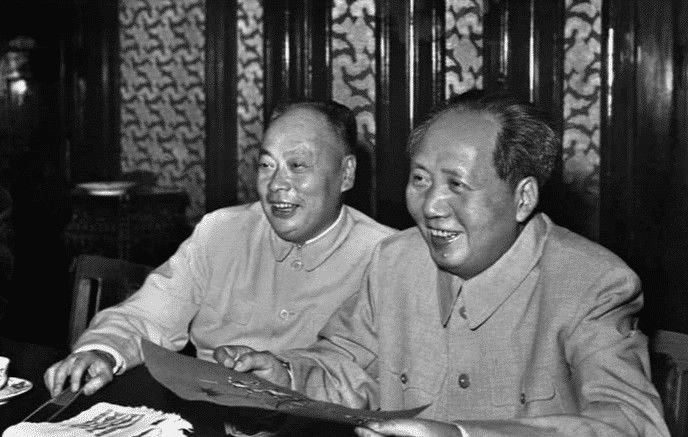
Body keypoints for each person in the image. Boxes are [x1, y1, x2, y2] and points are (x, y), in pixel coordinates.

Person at [215, 93, 670, 436]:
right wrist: (284, 375)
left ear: (523, 198)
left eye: (457, 185)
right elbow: (348, 367)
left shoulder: (593, 284)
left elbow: (632, 424)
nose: (431, 206)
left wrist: (460, 435)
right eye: (420, 179)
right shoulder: (395, 262)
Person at [44, 100, 393, 399]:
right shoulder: (221, 231)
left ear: (346, 173)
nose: (276, 184)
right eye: (266, 165)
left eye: (298, 166)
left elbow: (379, 383)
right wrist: (103, 351)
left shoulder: (388, 257)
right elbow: (150, 313)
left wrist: (289, 376)